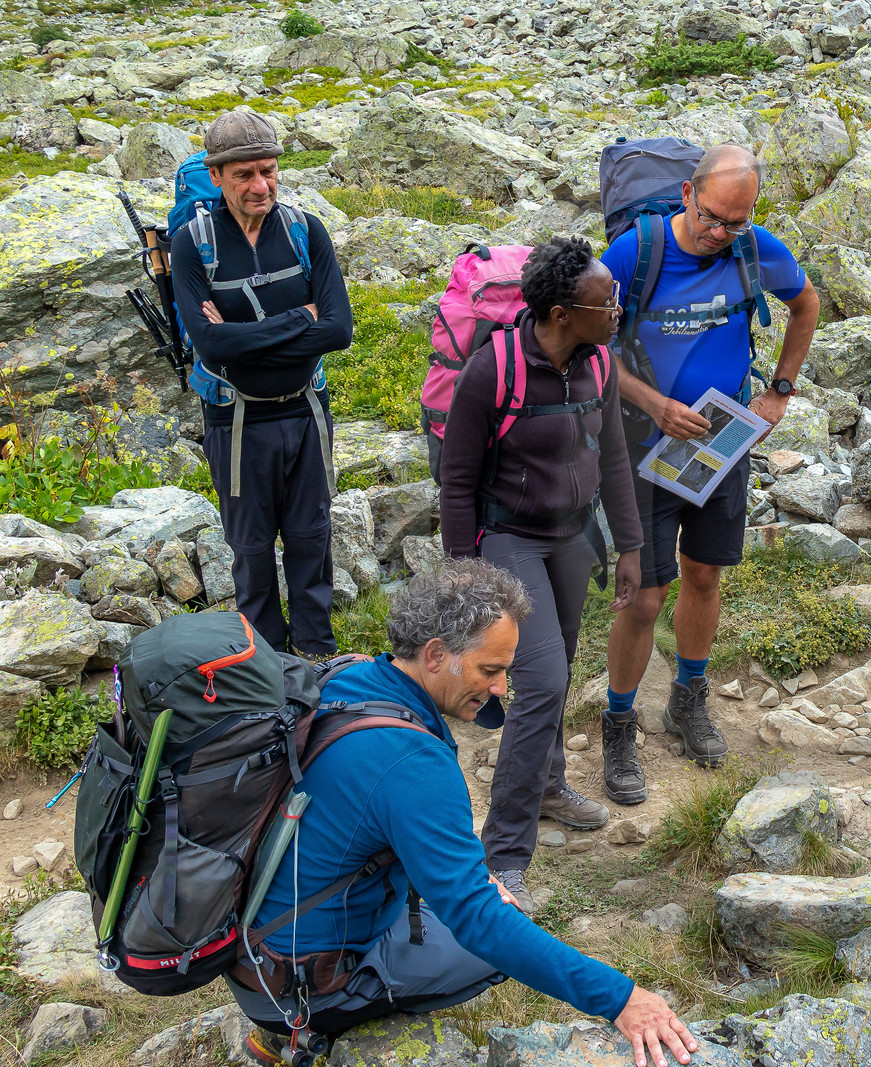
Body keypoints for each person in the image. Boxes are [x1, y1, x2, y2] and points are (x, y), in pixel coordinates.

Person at [230, 559, 699, 1067]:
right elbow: (481, 924)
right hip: (298, 987)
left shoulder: (350, 676)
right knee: (501, 929)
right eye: (490, 670)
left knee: (478, 899)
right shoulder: (412, 762)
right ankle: (299, 1036)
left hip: (253, 949)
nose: (501, 689)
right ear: (435, 654)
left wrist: (471, 886)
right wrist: (622, 998)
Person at [438, 238, 644, 913]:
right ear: (561, 313)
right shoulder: (490, 372)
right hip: (509, 539)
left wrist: (631, 548)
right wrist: (465, 577)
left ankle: (550, 784)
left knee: (555, 670)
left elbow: (613, 458)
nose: (617, 308)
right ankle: (504, 853)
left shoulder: (601, 364)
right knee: (545, 680)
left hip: (573, 539)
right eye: (605, 301)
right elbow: (458, 482)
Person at [600, 144, 819, 772]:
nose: (721, 233)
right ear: (690, 193)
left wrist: (780, 389)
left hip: (722, 443)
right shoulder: (634, 254)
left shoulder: (754, 248)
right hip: (642, 447)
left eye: (737, 222)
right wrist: (654, 403)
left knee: (703, 574)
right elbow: (592, 350)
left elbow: (805, 305)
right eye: (713, 218)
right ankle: (619, 722)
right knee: (643, 596)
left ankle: (688, 697)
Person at [170, 110, 352, 659]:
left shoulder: (304, 230)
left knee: (310, 537)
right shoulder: (191, 243)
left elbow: (339, 330)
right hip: (237, 418)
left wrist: (244, 334)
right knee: (250, 548)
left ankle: (317, 655)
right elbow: (210, 346)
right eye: (245, 174)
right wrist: (302, 320)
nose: (260, 186)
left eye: (268, 171)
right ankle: (266, 660)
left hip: (304, 410)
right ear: (217, 176)